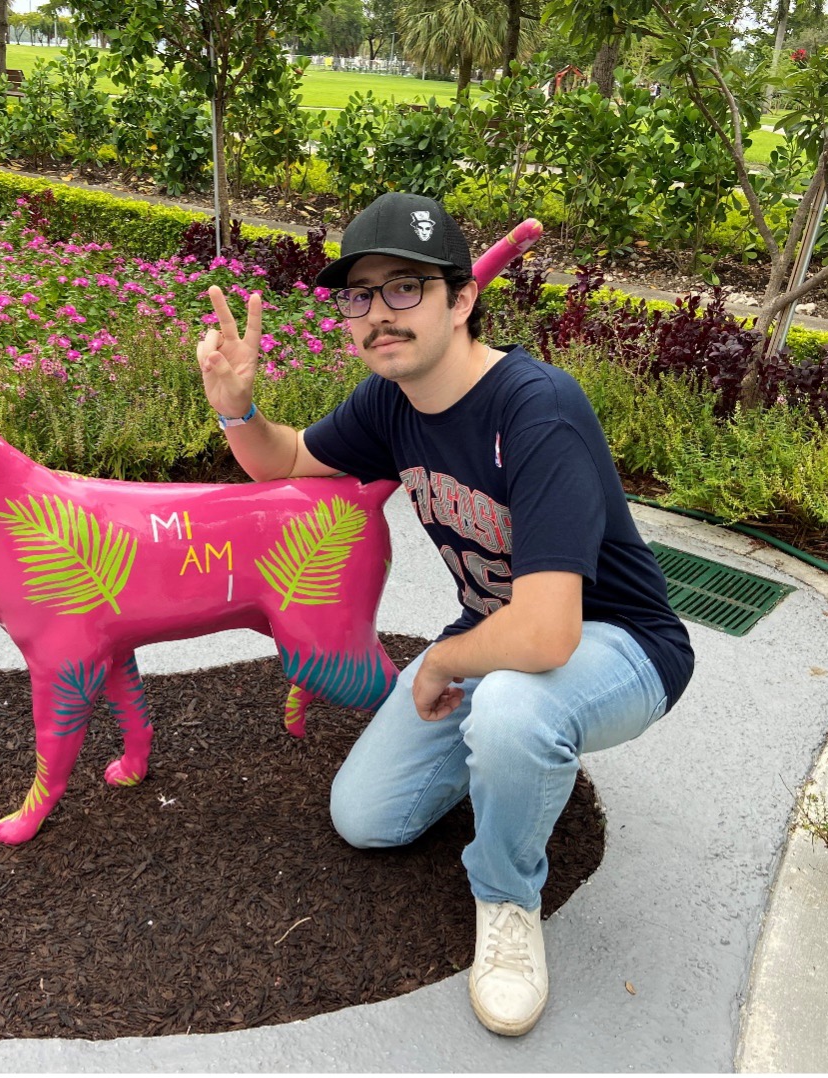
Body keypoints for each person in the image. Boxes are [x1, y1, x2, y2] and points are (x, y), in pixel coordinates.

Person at [194, 192, 695, 1038]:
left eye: (405, 289)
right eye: (360, 294)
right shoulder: (391, 402)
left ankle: (506, 898)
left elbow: (547, 633)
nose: (378, 314)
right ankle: (523, 767)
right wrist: (236, 406)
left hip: (620, 645)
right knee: (367, 819)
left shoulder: (537, 410)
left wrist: (439, 663)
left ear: (462, 299)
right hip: (501, 636)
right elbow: (285, 460)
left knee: (511, 707)